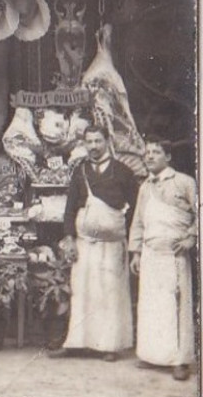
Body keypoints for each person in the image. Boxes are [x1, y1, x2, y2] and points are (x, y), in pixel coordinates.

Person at [53, 122, 140, 361]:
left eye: (97, 141)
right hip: (85, 245)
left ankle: (109, 346)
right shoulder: (80, 171)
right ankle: (77, 343)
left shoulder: (123, 172)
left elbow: (135, 211)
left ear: (107, 141)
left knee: (110, 293)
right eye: (89, 142)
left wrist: (133, 245)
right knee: (82, 293)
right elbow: (70, 208)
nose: (93, 146)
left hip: (112, 245)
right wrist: (69, 238)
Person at [129, 139, 197, 381]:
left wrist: (191, 238)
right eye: (147, 153)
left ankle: (180, 361)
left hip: (174, 254)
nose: (149, 157)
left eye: (156, 152)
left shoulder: (185, 182)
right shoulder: (145, 187)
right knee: (151, 306)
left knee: (176, 306)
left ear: (168, 156)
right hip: (150, 254)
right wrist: (136, 252)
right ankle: (153, 355)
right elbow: (138, 220)